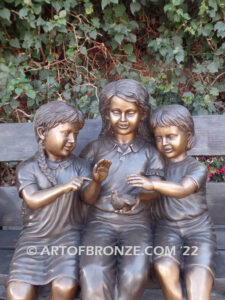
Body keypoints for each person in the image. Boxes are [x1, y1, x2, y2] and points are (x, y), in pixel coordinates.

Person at [7, 101, 111, 300]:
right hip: (34, 239)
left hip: (68, 238)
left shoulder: (80, 166)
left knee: (65, 285)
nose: (72, 140)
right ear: (41, 132)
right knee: (18, 292)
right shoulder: (28, 168)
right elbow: (33, 200)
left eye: (76, 134)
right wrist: (64, 187)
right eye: (66, 133)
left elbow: (87, 199)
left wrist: (96, 182)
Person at [79, 79, 165, 300]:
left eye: (130, 112)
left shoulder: (150, 153)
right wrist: (96, 181)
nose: (123, 119)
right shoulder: (94, 150)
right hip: (100, 223)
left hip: (136, 224)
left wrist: (138, 196)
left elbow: (156, 189)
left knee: (134, 274)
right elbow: (85, 199)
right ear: (106, 114)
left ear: (142, 113)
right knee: (93, 273)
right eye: (116, 112)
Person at [127, 104, 216, 300]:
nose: (165, 142)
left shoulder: (197, 168)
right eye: (159, 138)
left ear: (189, 137)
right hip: (166, 229)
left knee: (198, 282)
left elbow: (182, 190)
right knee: (164, 266)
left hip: (198, 230)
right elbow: (150, 194)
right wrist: (136, 198)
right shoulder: (156, 168)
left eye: (171, 136)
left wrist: (152, 184)